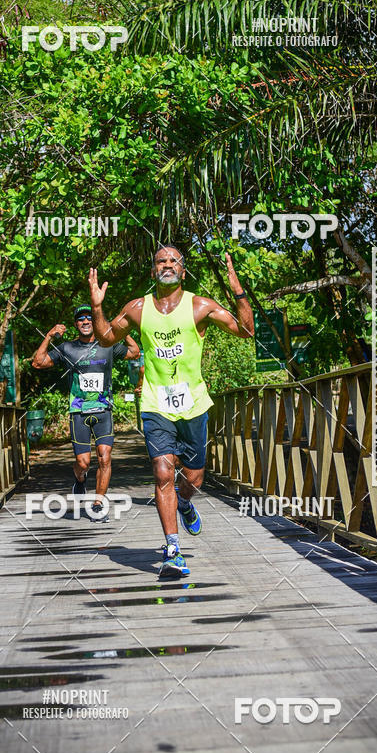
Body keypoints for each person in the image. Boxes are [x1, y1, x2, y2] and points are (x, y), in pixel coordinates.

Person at [88, 246, 254, 575]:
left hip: (193, 403)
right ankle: (172, 549)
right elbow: (106, 339)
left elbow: (246, 331)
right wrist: (97, 307)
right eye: (161, 261)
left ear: (183, 271)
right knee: (163, 473)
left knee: (193, 478)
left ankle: (186, 502)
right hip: (156, 403)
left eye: (173, 261)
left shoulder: (200, 306)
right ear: (153, 271)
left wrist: (238, 290)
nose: (167, 265)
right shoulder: (137, 308)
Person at [32, 305, 139, 520]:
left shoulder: (107, 345)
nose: (86, 321)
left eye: (90, 318)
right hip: (78, 412)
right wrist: (49, 336)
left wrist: (117, 329)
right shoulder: (68, 348)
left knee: (105, 457)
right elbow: (38, 362)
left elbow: (134, 351)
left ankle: (98, 503)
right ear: (76, 324)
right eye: (81, 319)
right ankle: (80, 480)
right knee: (83, 463)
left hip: (104, 410)